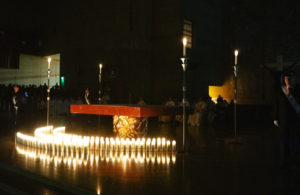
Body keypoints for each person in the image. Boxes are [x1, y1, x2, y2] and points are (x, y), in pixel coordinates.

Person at [274, 70, 300, 169]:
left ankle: (294, 162)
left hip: (294, 121)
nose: (288, 80)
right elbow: (276, 104)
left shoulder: (298, 90)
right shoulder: (280, 91)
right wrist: (275, 118)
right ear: (284, 80)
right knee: (283, 142)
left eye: (290, 78)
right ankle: (284, 162)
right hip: (283, 120)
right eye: (286, 78)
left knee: (294, 142)